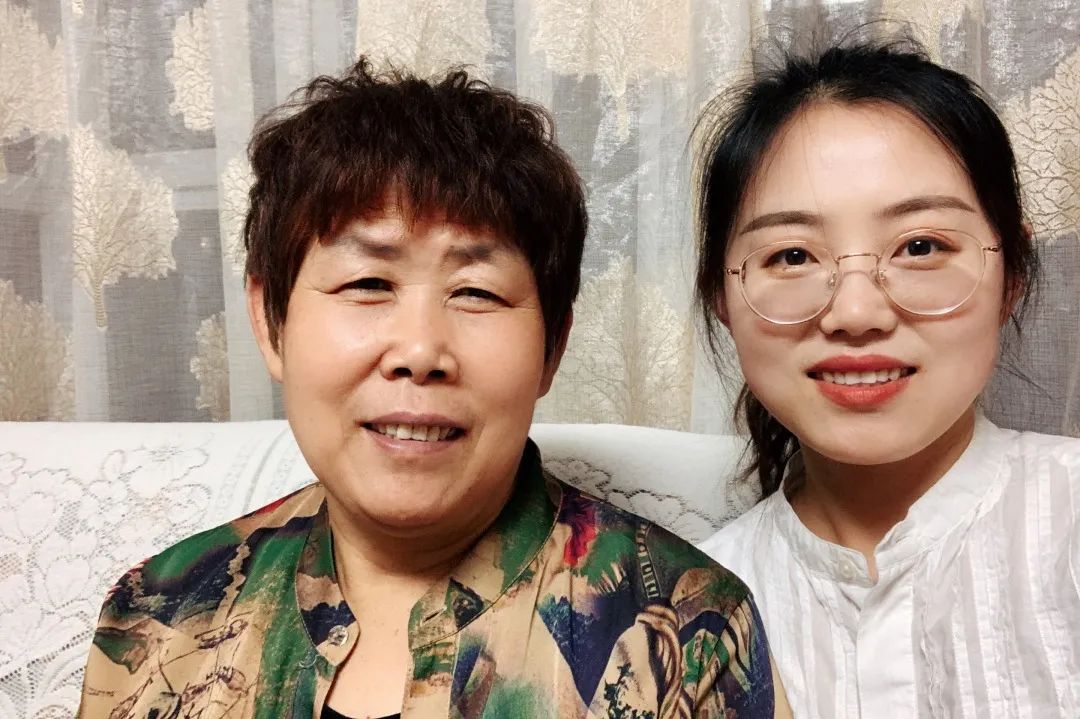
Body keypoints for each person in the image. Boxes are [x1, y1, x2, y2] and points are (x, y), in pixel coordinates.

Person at [78, 59, 788, 719]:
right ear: (271, 322)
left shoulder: (686, 634)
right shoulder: (161, 614)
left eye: (476, 291)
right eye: (367, 283)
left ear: (552, 346)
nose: (419, 351)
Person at [694, 35, 1080, 718]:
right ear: (722, 298)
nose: (856, 313)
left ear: (1012, 275)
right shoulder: (687, 609)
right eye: (791, 255)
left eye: (921, 246)